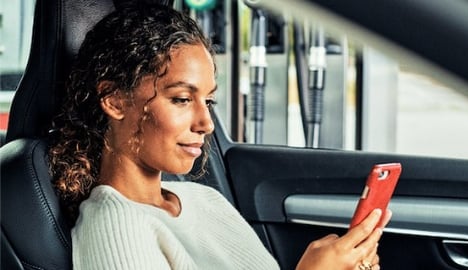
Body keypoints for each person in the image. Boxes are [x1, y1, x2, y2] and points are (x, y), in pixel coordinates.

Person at [48, 3, 391, 270]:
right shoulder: (115, 225)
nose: (206, 122)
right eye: (182, 99)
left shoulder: (204, 201)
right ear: (115, 100)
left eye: (208, 100)